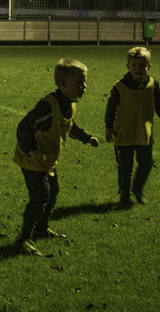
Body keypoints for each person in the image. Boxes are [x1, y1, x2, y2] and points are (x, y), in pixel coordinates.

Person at [10, 58, 101, 256]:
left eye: (84, 83)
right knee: (41, 195)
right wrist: (32, 149)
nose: (84, 87)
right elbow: (23, 127)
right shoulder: (47, 107)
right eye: (79, 83)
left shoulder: (69, 104)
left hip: (47, 160)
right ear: (62, 84)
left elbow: (69, 126)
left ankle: (41, 229)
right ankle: (24, 238)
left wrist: (86, 138)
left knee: (52, 193)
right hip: (31, 159)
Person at [105, 46, 160, 206]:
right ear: (128, 66)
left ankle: (137, 189)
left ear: (148, 66)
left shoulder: (153, 85)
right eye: (134, 65)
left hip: (144, 133)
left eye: (142, 65)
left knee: (146, 164)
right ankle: (124, 195)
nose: (138, 69)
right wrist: (109, 127)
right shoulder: (119, 87)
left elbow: (159, 104)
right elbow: (110, 108)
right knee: (125, 168)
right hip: (124, 134)